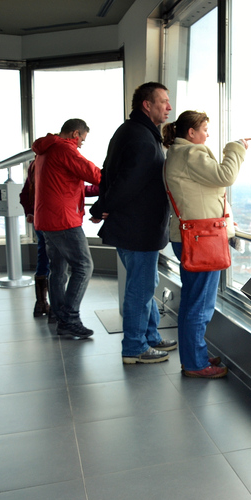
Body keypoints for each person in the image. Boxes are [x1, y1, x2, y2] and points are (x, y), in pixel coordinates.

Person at [90, 82, 177, 364]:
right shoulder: (142, 138)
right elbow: (127, 184)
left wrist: (103, 205)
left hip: (130, 227)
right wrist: (102, 206)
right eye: (163, 101)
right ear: (146, 105)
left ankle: (149, 336)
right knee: (139, 290)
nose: (169, 107)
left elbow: (107, 172)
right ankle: (135, 347)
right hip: (139, 229)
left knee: (145, 283)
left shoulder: (130, 131)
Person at [162, 110, 248, 378]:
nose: (208, 135)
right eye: (205, 129)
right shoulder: (191, 154)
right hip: (201, 240)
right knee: (199, 305)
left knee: (192, 303)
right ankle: (196, 364)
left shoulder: (176, 155)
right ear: (191, 133)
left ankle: (193, 356)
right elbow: (225, 176)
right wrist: (236, 148)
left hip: (191, 237)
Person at [32, 119, 101, 339]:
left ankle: (60, 317)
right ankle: (70, 319)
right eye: (82, 139)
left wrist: (99, 189)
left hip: (47, 220)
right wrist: (115, 178)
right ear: (75, 134)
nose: (81, 145)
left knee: (58, 269)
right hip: (63, 220)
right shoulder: (65, 148)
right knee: (84, 266)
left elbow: (75, 185)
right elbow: (94, 174)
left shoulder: (46, 150)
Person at [19, 160, 51, 319]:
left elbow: (24, 194)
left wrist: (29, 212)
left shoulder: (34, 165)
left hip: (37, 219)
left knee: (43, 257)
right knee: (56, 260)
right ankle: (55, 308)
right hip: (53, 218)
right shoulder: (52, 162)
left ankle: (40, 304)